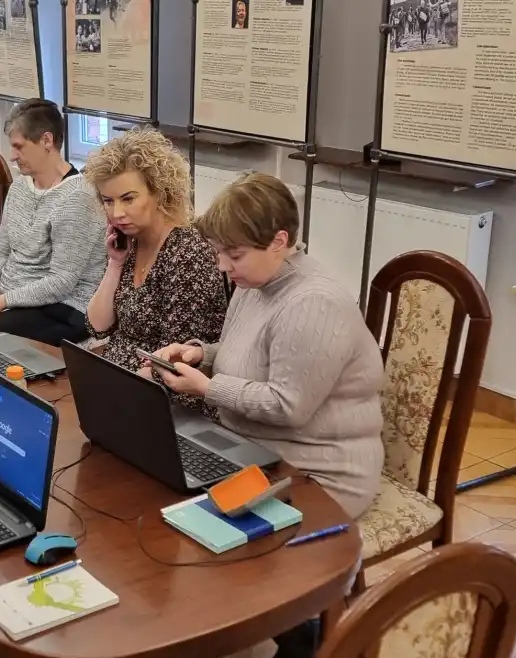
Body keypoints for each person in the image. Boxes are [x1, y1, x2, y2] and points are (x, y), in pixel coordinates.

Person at [144, 172, 384, 521]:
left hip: (318, 472)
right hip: (255, 450)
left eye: (235, 255)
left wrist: (208, 388)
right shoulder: (256, 280)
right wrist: (201, 355)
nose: (223, 267)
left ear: (278, 241)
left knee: (190, 530)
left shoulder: (314, 303)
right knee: (156, 495)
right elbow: (254, 353)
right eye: (219, 253)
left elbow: (287, 406)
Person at [82, 128, 228, 415]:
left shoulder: (188, 253)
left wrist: (115, 392)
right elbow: (98, 326)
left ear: (159, 192)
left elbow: (174, 364)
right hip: (123, 385)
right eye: (108, 201)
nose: (116, 213)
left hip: (167, 402)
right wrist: (115, 264)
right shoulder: (131, 243)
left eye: (128, 198)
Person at [0, 99, 107, 345]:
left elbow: (61, 283)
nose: (12, 156)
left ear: (46, 141)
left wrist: (1, 302)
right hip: (12, 297)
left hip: (62, 308)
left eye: (19, 147)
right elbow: (1, 248)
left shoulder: (78, 198)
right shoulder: (21, 185)